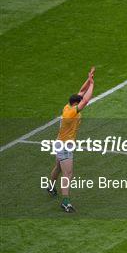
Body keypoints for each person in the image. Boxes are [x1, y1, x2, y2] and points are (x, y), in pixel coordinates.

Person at [45, 67, 95, 213]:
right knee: (68, 174)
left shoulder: (68, 106)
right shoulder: (71, 113)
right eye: (78, 104)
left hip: (60, 142)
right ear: (75, 104)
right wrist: (92, 85)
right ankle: (65, 202)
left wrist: (89, 79)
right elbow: (85, 99)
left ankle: (50, 186)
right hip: (65, 146)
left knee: (59, 168)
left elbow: (81, 91)